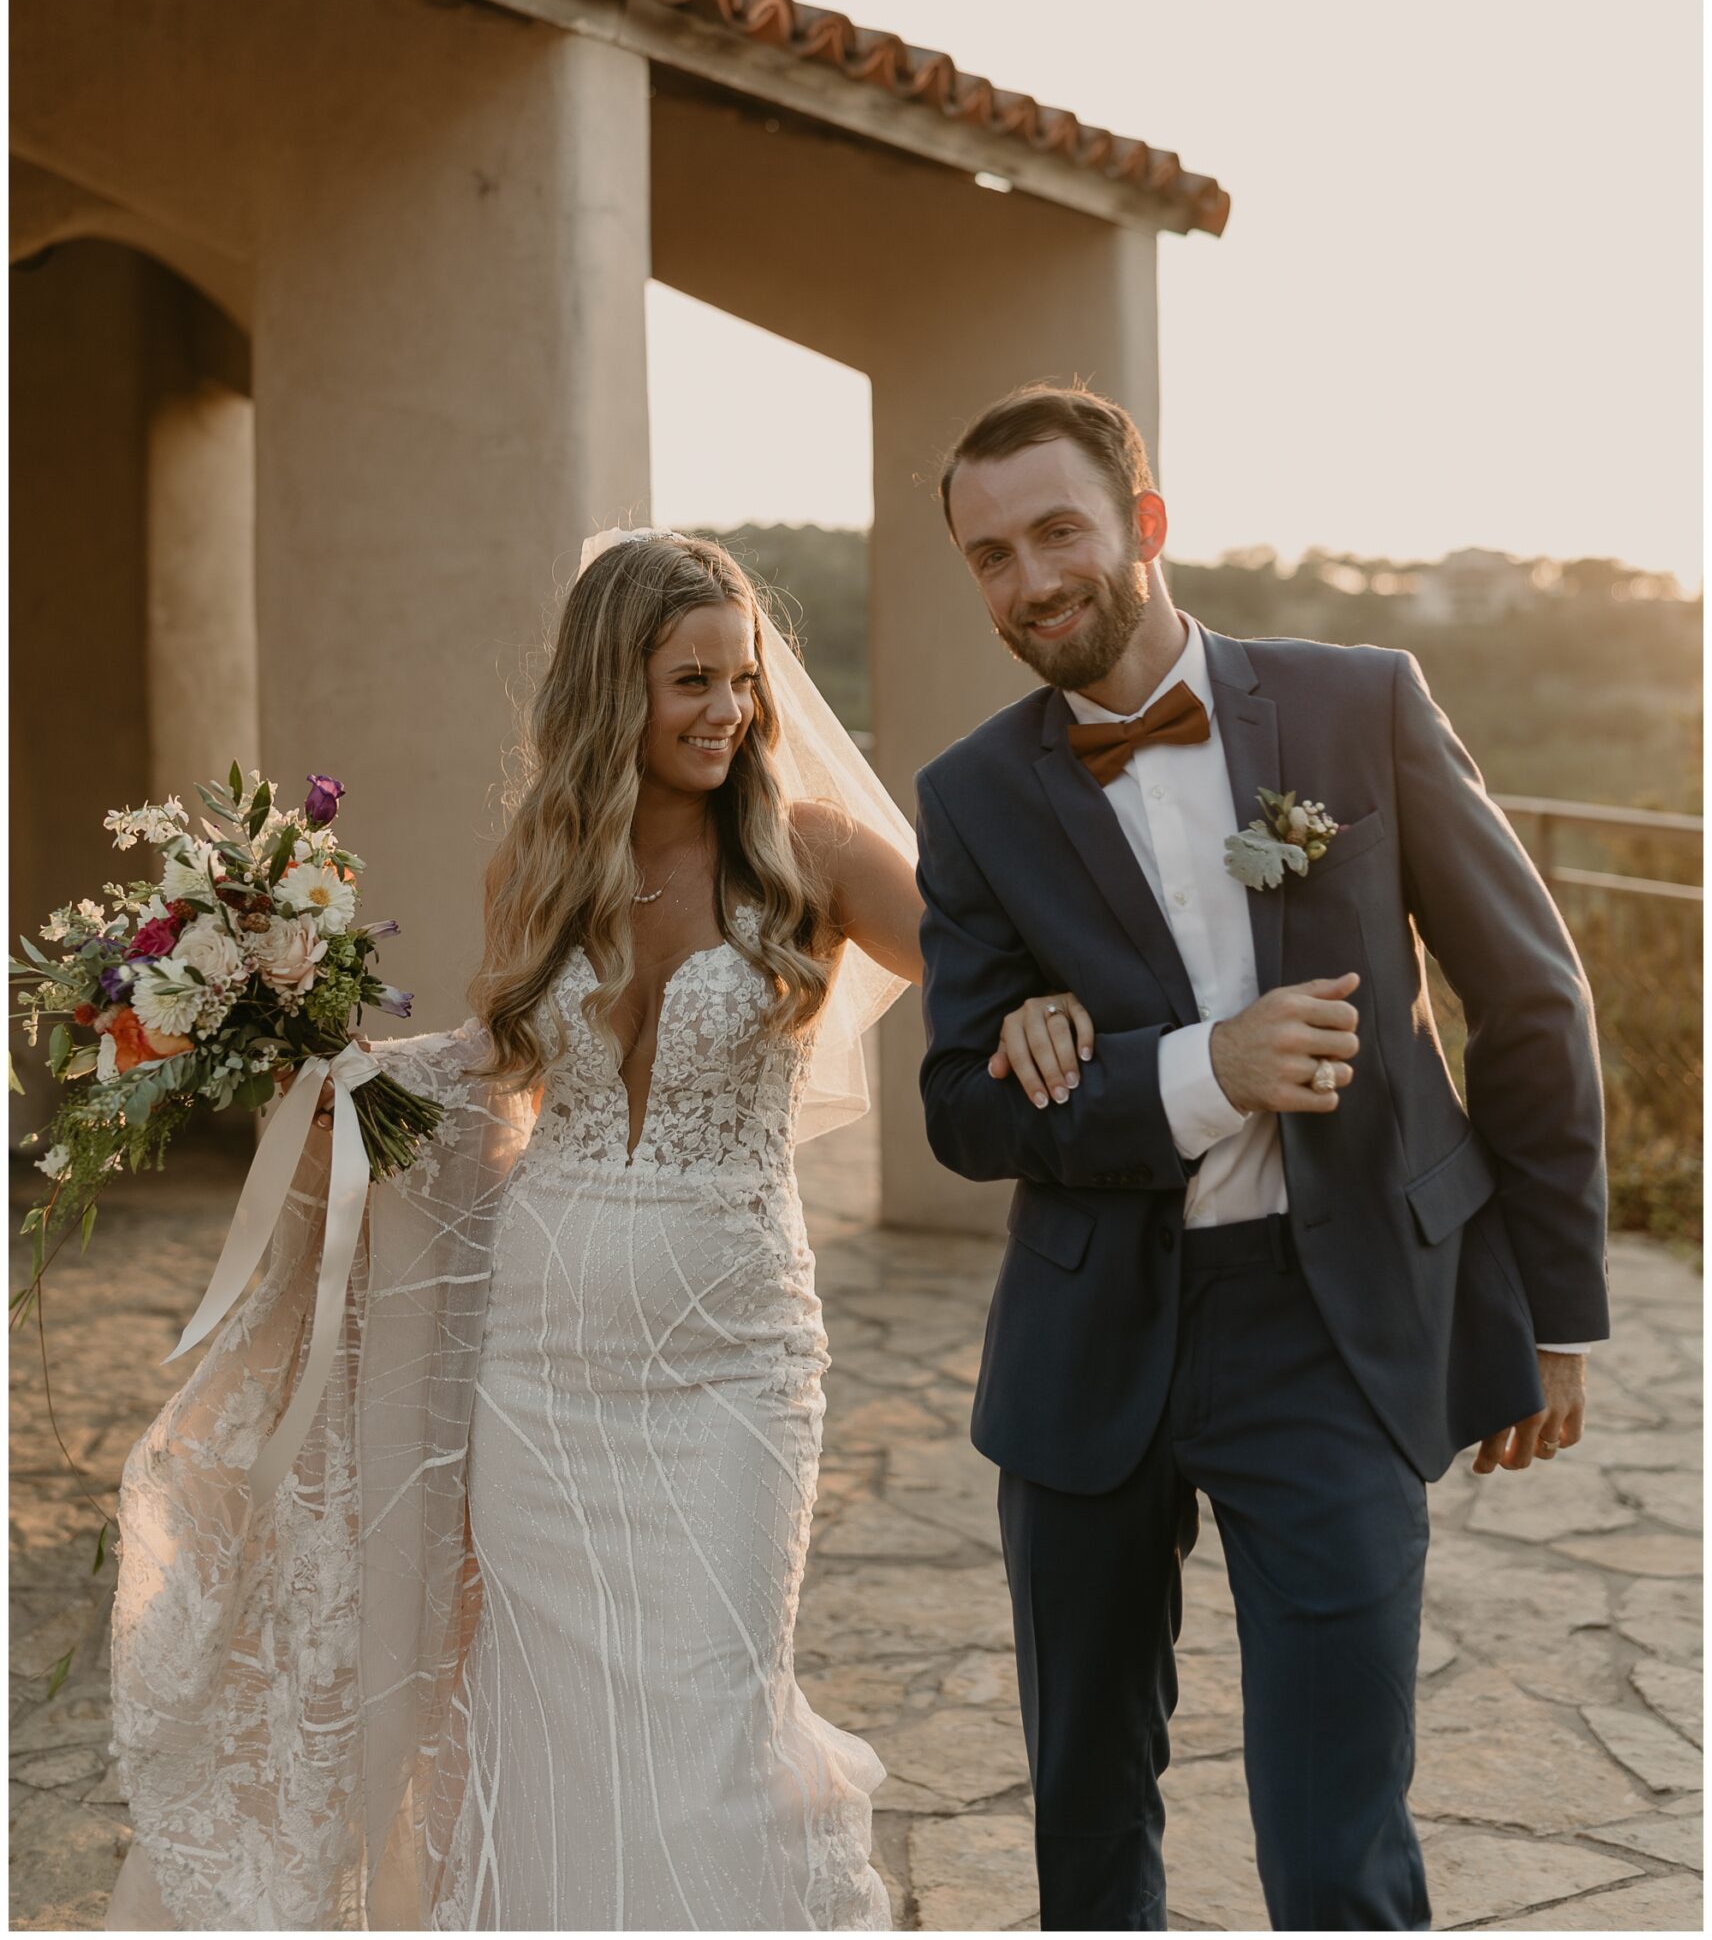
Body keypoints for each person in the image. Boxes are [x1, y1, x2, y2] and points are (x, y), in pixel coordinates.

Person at [107, 528, 974, 1932]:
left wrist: (1057, 1012)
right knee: (544, 1718)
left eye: (741, 681)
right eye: (691, 681)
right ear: (607, 690)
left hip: (733, 1367)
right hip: (545, 1374)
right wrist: (332, 1081)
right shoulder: (540, 863)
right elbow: (499, 1085)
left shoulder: (809, 853)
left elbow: (984, 967)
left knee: (713, 1712)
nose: (728, 713)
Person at [914, 383, 1609, 1933]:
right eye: (989, 556)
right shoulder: (967, 797)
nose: (1028, 581)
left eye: (1057, 533)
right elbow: (963, 1108)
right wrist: (1191, 1074)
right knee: (1086, 1830)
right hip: (1089, 1347)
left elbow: (1530, 998)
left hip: (1334, 1329)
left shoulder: (1359, 702)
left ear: (1145, 527)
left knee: (1337, 1845)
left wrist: (1556, 1308)